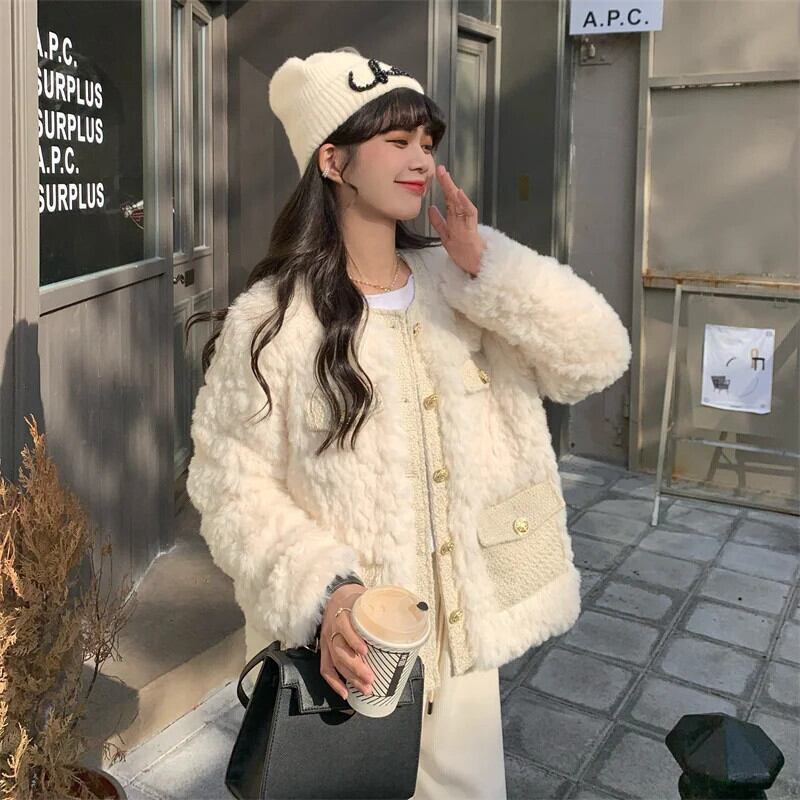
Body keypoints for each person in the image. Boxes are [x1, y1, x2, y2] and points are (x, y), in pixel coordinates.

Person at [185, 47, 631, 800]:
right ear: (334, 160)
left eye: (427, 140)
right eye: (396, 141)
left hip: (463, 642)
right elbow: (232, 489)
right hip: (354, 652)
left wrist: (485, 262)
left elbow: (597, 356)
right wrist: (326, 594)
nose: (421, 158)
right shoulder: (273, 320)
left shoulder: (462, 283)